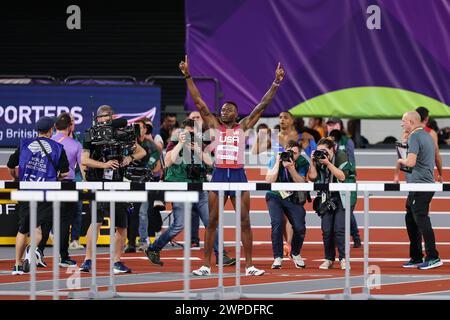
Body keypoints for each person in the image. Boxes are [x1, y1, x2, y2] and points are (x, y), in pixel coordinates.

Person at [179, 55, 285, 276]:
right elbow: (199, 102)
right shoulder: (214, 126)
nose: (223, 111)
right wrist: (188, 75)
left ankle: (249, 266)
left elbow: (262, 105)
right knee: (212, 223)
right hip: (218, 175)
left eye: (228, 110)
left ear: (236, 114)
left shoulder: (244, 126)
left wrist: (275, 82)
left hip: (238, 176)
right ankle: (206, 266)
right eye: (223, 109)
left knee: (245, 221)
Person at [144, 119, 235, 267]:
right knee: (179, 224)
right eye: (187, 132)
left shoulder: (200, 144)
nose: (190, 136)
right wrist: (181, 143)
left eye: (193, 133)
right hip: (179, 186)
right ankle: (154, 248)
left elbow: (211, 163)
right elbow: (167, 162)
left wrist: (197, 149)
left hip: (198, 186)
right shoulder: (174, 142)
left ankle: (221, 255)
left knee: (211, 222)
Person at [79, 105, 146, 274]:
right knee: (96, 222)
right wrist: (104, 164)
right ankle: (88, 260)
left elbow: (141, 152)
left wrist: (128, 158)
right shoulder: (91, 134)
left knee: (121, 225)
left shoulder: (122, 131)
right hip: (99, 182)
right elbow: (84, 160)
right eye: (100, 117)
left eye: (105, 117)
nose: (103, 120)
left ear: (112, 116)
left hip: (119, 183)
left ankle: (117, 262)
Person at [7, 116, 69, 275]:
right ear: (51, 130)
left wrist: (15, 178)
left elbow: (10, 165)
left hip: (26, 191)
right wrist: (56, 177)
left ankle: (16, 265)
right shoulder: (58, 147)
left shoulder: (24, 144)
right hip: (46, 193)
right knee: (38, 230)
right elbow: (66, 172)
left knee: (22, 230)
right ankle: (31, 251)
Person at [397, 111, 443, 270]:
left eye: (403, 121)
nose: (402, 124)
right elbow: (437, 156)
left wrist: (399, 160)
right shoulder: (428, 136)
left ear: (410, 121)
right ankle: (416, 256)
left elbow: (409, 163)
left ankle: (433, 257)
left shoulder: (415, 137)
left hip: (420, 186)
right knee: (411, 218)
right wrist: (441, 174)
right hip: (421, 185)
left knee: (421, 220)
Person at [37, 113, 83, 267]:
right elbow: (82, 168)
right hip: (67, 184)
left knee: (46, 220)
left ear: (55, 126)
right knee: (64, 222)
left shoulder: (47, 141)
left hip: (48, 183)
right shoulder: (76, 144)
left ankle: (39, 251)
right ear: (70, 126)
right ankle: (63, 257)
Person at [308, 138, 356, 270]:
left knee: (339, 229)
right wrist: (312, 162)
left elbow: (342, 176)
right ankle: (329, 259)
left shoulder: (341, 156)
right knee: (327, 229)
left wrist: (328, 163)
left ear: (332, 150)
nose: (321, 154)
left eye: (324, 151)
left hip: (344, 194)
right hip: (327, 195)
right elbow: (312, 178)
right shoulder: (318, 159)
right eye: (319, 151)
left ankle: (343, 259)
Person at [265, 140, 309, 269]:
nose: (291, 155)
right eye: (289, 152)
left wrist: (291, 168)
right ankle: (278, 257)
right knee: (277, 223)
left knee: (300, 227)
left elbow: (301, 182)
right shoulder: (275, 158)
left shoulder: (302, 162)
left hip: (293, 197)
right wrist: (278, 163)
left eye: (294, 153)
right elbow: (269, 180)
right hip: (275, 195)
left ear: (299, 154)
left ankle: (295, 253)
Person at [124, 118, 162, 253]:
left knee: (142, 213)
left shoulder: (151, 146)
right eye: (135, 127)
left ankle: (143, 241)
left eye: (140, 127)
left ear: (145, 129)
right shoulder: (128, 144)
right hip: (129, 182)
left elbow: (157, 166)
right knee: (130, 213)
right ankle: (130, 242)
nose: (137, 130)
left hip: (145, 183)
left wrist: (147, 171)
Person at [326, 118, 361, 248]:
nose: (331, 126)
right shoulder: (326, 141)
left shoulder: (347, 141)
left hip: (345, 179)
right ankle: (339, 238)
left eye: (334, 124)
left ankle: (356, 237)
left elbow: (351, 161)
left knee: (347, 210)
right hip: (332, 180)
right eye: (329, 124)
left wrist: (346, 175)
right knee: (337, 210)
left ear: (340, 126)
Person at [415, 107, 443, 183]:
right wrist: (440, 174)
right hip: (427, 176)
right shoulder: (432, 134)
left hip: (412, 175)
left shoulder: (407, 132)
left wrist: (396, 175)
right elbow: (436, 156)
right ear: (427, 118)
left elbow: (401, 155)